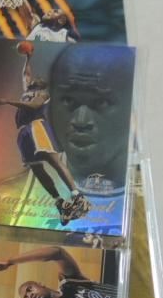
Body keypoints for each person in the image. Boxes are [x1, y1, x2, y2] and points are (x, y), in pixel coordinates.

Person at [0, 50, 90, 223]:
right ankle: (60, 202)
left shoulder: (43, 94)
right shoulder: (28, 90)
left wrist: (7, 101)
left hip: (37, 127)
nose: (36, 77)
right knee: (37, 170)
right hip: (24, 132)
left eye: (39, 78)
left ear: (43, 84)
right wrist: (28, 57)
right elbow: (26, 74)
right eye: (35, 78)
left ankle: (77, 196)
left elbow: (33, 106)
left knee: (54, 161)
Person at [46, 44, 134, 192]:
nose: (81, 122)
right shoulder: (13, 194)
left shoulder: (159, 190)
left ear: (133, 107)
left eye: (102, 102)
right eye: (68, 100)